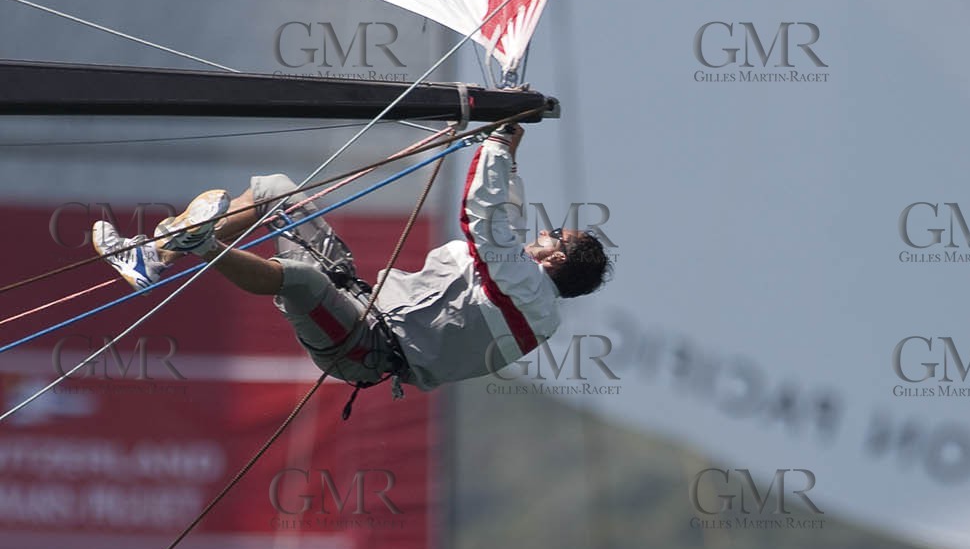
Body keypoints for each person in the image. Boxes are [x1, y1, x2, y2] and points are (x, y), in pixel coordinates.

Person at [91, 124, 612, 395]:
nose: (540, 233)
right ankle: (152, 257)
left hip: (363, 349)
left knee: (300, 281)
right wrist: (506, 147)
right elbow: (502, 219)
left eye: (551, 235)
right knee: (275, 191)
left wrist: (497, 144)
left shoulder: (527, 291)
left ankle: (202, 244)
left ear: (554, 260)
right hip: (357, 304)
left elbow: (487, 216)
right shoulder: (527, 294)